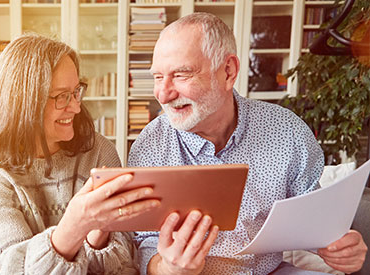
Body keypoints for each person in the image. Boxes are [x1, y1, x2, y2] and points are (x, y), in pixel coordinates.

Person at [129, 13, 368, 275]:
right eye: (157, 77)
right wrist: (165, 268)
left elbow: (312, 222)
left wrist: (340, 247)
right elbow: (142, 243)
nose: (163, 94)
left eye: (181, 74)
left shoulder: (286, 130)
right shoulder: (150, 145)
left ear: (228, 71)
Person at [0, 34, 160, 274]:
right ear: (23, 101)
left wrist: (97, 235)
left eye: (76, 91)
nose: (76, 107)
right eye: (61, 96)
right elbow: (6, 270)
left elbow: (124, 265)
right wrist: (73, 227)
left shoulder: (100, 152)